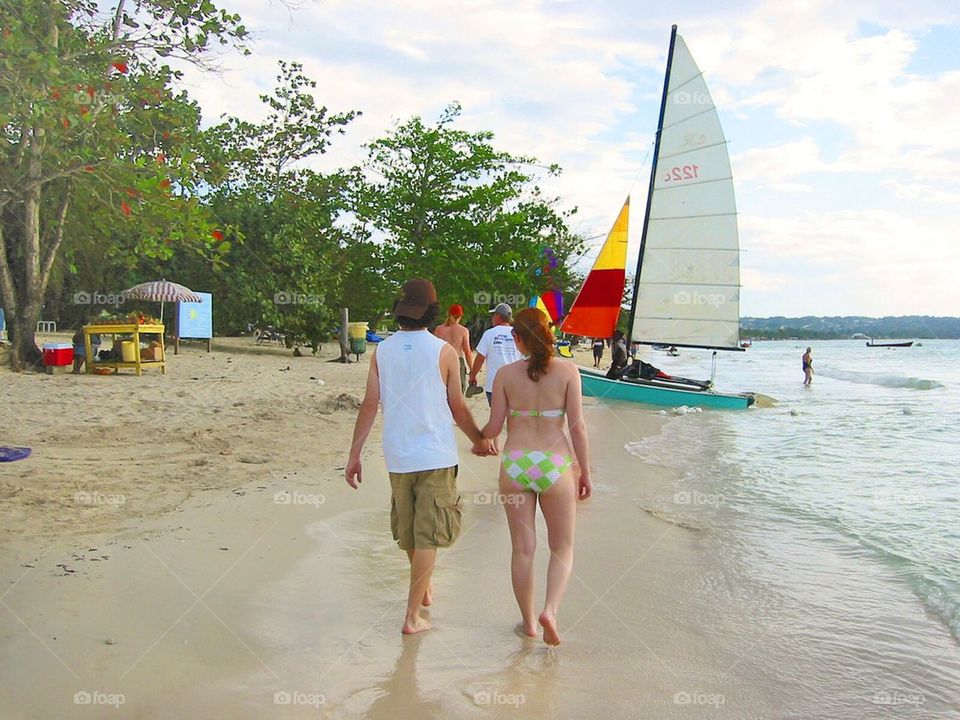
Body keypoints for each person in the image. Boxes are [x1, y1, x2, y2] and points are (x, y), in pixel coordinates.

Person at [345, 278, 496, 635]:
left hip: (397, 455)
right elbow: (457, 406)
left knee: (411, 530)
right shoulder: (443, 352)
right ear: (432, 312)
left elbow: (370, 404)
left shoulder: (382, 351)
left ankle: (423, 588)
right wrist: (479, 439)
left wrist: (354, 455)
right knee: (427, 534)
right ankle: (412, 617)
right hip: (434, 455)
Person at [480, 307, 592, 645]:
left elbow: (493, 429)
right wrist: (585, 471)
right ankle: (550, 611)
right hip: (555, 465)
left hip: (515, 463)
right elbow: (578, 427)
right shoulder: (569, 371)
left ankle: (528, 623)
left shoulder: (505, 375)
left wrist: (476, 437)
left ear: (517, 339)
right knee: (562, 547)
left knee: (523, 549)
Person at [470, 303, 521, 406]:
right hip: (515, 384)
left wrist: (473, 375)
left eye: (493, 315)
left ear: (498, 317)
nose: (492, 318)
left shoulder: (489, 334)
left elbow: (480, 358)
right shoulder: (518, 334)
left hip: (494, 385)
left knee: (496, 418)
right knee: (513, 417)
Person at [433, 304, 474, 395]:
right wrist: (472, 369)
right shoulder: (463, 331)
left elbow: (434, 349)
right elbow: (467, 351)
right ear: (460, 316)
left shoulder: (439, 329)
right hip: (457, 361)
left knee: (442, 391)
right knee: (458, 391)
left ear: (448, 314)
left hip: (442, 361)